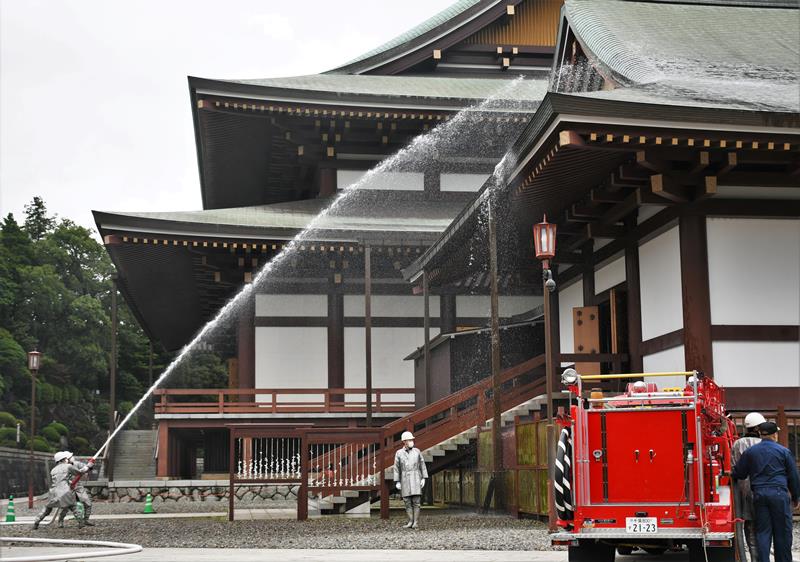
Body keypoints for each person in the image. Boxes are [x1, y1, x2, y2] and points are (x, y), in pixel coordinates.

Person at [732, 421, 800, 562]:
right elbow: (793, 476)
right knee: (782, 533)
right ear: (774, 434)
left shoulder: (750, 452)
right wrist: (796, 497)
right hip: (779, 495)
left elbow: (740, 473)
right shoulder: (783, 451)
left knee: (763, 533)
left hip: (759, 495)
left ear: (761, 434)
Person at [731, 412, 765, 561]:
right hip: (763, 489)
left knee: (750, 530)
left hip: (744, 491)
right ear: (758, 427)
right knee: (763, 529)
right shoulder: (765, 443)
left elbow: (734, 468)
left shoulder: (738, 443)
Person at [32, 451, 90, 530]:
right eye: (66, 458)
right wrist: (88, 467)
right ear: (64, 459)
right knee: (73, 506)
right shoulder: (68, 466)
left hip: (53, 491)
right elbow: (79, 473)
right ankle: (81, 523)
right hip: (65, 490)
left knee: (47, 508)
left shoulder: (53, 470)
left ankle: (36, 522)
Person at [393, 430, 428, 529]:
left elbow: (422, 464)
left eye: (412, 439)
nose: (412, 441)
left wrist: (424, 478)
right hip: (404, 479)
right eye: (409, 440)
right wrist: (397, 481)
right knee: (407, 502)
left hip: (416, 477)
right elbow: (396, 467)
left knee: (416, 502)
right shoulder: (399, 453)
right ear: (404, 442)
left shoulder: (417, 451)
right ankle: (410, 521)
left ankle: (415, 522)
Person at [61, 452, 95, 526]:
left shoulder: (76, 463)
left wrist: (90, 465)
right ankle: (60, 521)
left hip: (78, 486)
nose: (72, 457)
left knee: (88, 503)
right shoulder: (62, 467)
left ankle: (86, 520)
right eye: (71, 457)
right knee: (66, 506)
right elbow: (81, 471)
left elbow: (86, 468)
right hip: (67, 487)